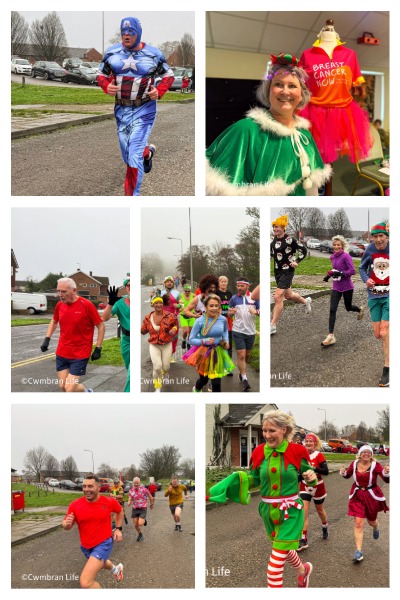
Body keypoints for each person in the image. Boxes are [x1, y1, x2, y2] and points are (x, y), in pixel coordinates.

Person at [209, 410, 318, 587]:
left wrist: (310, 477)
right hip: (268, 511)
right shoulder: (259, 452)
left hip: (290, 511)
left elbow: (309, 473)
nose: (267, 435)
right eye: (264, 431)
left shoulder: (297, 451)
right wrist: (239, 480)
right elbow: (255, 479)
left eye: (271, 431)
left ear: (284, 429)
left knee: (274, 566)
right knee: (283, 547)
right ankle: (303, 571)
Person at [206, 52, 331, 196]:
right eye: (278, 84)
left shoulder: (304, 134)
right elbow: (217, 192)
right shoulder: (245, 130)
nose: (285, 91)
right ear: (268, 90)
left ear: (301, 94)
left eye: (292, 86)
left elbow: (312, 188)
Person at [97, 17, 174, 196]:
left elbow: (168, 75)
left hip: (144, 109)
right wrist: (105, 85)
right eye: (123, 31)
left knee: (133, 156)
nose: (126, 35)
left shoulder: (154, 54)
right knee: (128, 154)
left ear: (138, 33)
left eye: (131, 31)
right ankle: (147, 154)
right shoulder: (112, 52)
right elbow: (101, 74)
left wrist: (159, 90)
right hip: (121, 110)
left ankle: (132, 197)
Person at [40, 277, 104, 392]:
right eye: (58, 291)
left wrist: (98, 348)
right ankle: (86, 393)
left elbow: (100, 326)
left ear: (74, 290)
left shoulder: (87, 305)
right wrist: (47, 339)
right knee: (63, 387)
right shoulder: (59, 305)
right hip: (62, 352)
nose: (60, 294)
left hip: (80, 354)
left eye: (63, 291)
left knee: (69, 388)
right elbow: (54, 321)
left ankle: (85, 392)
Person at [62, 473, 123, 588]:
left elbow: (119, 511)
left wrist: (118, 529)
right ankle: (116, 569)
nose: (86, 489)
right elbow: (67, 525)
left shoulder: (108, 502)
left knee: (86, 582)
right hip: (86, 546)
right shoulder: (75, 505)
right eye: (84, 486)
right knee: (102, 563)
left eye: (90, 486)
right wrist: (66, 524)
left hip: (103, 543)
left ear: (99, 488)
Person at [340, 445, 389, 562]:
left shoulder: (375, 465)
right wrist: (343, 472)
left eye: (369, 452)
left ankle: (376, 527)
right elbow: (348, 475)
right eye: (364, 452)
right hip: (357, 495)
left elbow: (387, 480)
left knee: (371, 521)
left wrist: (387, 472)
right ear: (360, 454)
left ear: (371, 454)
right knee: (358, 523)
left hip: (371, 496)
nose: (367, 454)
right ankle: (358, 551)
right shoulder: (355, 463)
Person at [183, 294, 235, 392]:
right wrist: (204, 341)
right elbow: (191, 339)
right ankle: (197, 388)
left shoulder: (222, 319)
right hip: (203, 353)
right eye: (211, 306)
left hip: (218, 352)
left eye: (216, 306)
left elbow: (225, 332)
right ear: (206, 307)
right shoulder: (199, 321)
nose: (214, 308)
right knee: (203, 379)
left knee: (216, 383)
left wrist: (226, 341)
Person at [359, 222, 390, 386]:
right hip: (374, 295)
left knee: (385, 332)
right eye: (375, 237)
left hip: (390, 295)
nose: (378, 240)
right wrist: (366, 279)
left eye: (381, 236)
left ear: (387, 236)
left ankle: (388, 369)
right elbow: (362, 268)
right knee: (378, 334)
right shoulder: (370, 250)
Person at [270, 215, 310, 335]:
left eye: (277, 227)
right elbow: (272, 254)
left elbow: (304, 250)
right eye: (274, 227)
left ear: (283, 227)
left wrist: (296, 261)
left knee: (278, 297)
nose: (275, 229)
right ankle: (306, 301)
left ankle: (273, 325)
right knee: (288, 295)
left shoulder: (290, 240)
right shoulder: (273, 241)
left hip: (288, 271)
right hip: (277, 271)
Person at [321, 235, 364, 346]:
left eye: (338, 245)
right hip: (336, 287)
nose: (336, 246)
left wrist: (340, 273)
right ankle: (330, 336)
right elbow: (335, 270)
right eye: (334, 245)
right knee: (332, 310)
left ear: (342, 245)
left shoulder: (346, 256)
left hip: (347, 287)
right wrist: (328, 275)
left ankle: (359, 309)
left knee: (348, 307)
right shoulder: (332, 257)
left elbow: (352, 271)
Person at [298, 433, 329, 551]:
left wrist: (313, 469)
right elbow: (299, 472)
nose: (308, 443)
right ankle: (303, 539)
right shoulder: (302, 455)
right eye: (307, 441)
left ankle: (325, 525)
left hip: (318, 486)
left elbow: (326, 471)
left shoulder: (318, 455)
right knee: (304, 512)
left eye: (311, 441)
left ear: (315, 443)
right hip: (305, 486)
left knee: (319, 510)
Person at [141, 295, 178, 392]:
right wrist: (142, 328)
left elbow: (175, 324)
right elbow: (143, 331)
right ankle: (157, 387)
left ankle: (162, 373)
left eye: (160, 303)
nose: (158, 305)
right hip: (154, 345)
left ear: (162, 304)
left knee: (166, 367)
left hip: (166, 344)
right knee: (157, 367)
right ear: (153, 304)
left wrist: (173, 329)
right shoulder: (148, 317)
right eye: (156, 303)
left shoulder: (169, 315)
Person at [228, 277, 260, 391]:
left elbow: (261, 311)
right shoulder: (233, 299)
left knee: (247, 356)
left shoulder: (254, 298)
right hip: (238, 331)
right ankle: (245, 379)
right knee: (241, 355)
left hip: (250, 332)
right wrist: (230, 313)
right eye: (238, 286)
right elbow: (229, 314)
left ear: (247, 286)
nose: (239, 288)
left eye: (241, 286)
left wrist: (256, 311)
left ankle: (242, 373)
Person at [102, 276, 130, 392]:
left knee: (132, 373)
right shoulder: (119, 303)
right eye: (129, 285)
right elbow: (105, 317)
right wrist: (110, 303)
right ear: (126, 288)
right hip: (127, 341)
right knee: (129, 368)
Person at [127, 477, 154, 542]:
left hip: (143, 508)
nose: (136, 484)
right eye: (135, 483)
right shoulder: (131, 491)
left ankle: (144, 521)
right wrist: (129, 501)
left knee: (140, 524)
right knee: (135, 524)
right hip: (135, 508)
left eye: (137, 483)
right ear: (133, 483)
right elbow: (130, 497)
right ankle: (140, 534)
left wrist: (151, 504)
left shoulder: (144, 490)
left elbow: (150, 496)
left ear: (139, 483)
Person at [161, 275, 181, 362]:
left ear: (173, 283)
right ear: (165, 283)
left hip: (173, 319)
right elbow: (153, 304)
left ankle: (171, 355)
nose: (169, 283)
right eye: (167, 282)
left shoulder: (177, 293)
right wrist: (152, 297)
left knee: (173, 337)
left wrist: (179, 305)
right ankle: (163, 354)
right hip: (162, 318)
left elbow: (182, 305)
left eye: (171, 282)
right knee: (163, 336)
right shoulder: (160, 293)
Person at [178, 284, 196, 350]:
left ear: (190, 290)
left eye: (188, 291)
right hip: (183, 316)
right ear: (184, 291)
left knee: (190, 332)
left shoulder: (193, 296)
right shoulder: (180, 296)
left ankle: (189, 343)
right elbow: (178, 307)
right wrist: (179, 307)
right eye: (186, 291)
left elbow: (198, 302)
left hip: (191, 316)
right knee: (185, 331)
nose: (187, 292)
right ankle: (183, 340)